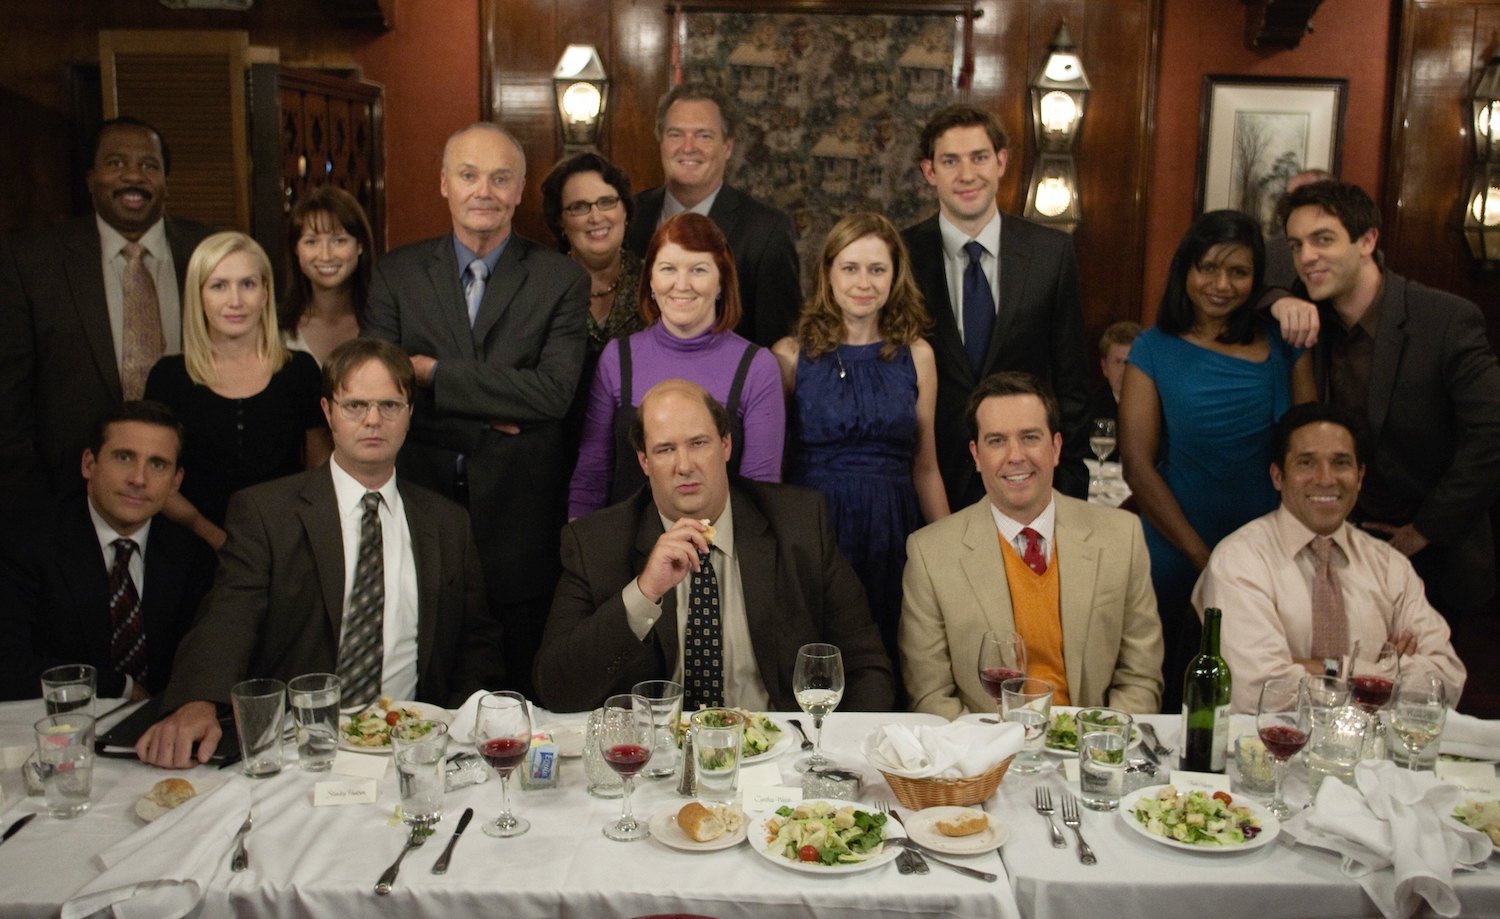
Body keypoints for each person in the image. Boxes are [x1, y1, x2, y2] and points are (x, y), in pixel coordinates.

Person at [136, 339, 502, 768]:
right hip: (301, 752)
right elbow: (228, 613)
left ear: (409, 415)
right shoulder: (266, 512)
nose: (373, 420)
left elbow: (477, 639)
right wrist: (197, 699)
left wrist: (452, 731)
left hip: (413, 749)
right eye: (355, 406)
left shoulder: (447, 523)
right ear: (327, 411)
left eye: (389, 405)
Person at [364, 122, 588, 699]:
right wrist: (495, 405)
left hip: (521, 525)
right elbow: (381, 393)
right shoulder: (396, 273)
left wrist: (433, 374)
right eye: (468, 175)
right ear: (444, 183)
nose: (482, 190)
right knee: (426, 695)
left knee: (520, 697)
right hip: (421, 508)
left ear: (519, 191)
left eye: (499, 178)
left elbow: (554, 395)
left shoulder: (560, 278)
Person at [535, 379, 894, 713]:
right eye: (664, 450)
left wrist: (832, 756)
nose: (684, 465)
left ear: (725, 445)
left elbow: (867, 666)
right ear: (644, 461)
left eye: (698, 443)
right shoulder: (597, 543)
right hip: (657, 761)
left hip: (777, 753)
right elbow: (555, 689)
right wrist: (644, 592)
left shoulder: (798, 523)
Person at [1274, 180, 1500, 620]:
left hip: (1434, 555)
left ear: (1368, 240)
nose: (1306, 258)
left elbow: (1493, 431)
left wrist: (1427, 528)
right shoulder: (1308, 316)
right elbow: (1251, 293)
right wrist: (1279, 300)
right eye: (1296, 245)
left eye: (1323, 240)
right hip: (1340, 550)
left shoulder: (1444, 318)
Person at [1119, 210, 1314, 710]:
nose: (1221, 284)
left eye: (1239, 272)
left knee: (1257, 689)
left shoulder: (1282, 344)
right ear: (1185, 269)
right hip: (1173, 542)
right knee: (1160, 685)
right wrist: (1203, 557)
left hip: (1266, 547)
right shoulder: (1153, 348)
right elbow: (1137, 466)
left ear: (1257, 279)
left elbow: (1308, 450)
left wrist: (1240, 563)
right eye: (1207, 268)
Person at [900, 372, 1163, 718]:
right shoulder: (930, 554)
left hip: (1089, 751)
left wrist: (1095, 744)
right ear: (976, 456)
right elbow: (931, 696)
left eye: (1029, 437)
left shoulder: (1121, 537)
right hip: (987, 757)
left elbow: (1140, 678)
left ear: (1055, 448)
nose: (1015, 456)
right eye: (996, 441)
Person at [772, 212, 948, 697]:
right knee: (815, 662)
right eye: (851, 268)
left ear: (896, 276)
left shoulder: (918, 355)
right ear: (828, 273)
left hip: (894, 528)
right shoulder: (789, 355)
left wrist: (949, 553)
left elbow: (926, 466)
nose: (863, 282)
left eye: (877, 269)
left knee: (892, 657)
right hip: (817, 527)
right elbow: (776, 466)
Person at [0, 117, 214, 513]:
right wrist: (23, 498)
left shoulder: (211, 252)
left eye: (149, 166)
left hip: (196, 494)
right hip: (64, 497)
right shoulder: (31, 262)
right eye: (116, 163)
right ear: (90, 178)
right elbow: (9, 397)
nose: (134, 176)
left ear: (166, 181)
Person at [1193, 403, 1466, 713]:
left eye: (1341, 463)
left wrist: (1324, 668)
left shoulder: (1391, 566)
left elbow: (1446, 682)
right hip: (1266, 751)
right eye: (1306, 463)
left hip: (1375, 758)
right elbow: (1257, 691)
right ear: (1278, 475)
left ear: (1360, 476)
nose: (1325, 479)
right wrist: (1380, 675)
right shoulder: (1240, 561)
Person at [901, 104, 1091, 510]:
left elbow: (1072, 381)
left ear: (1001, 161)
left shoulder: (1050, 253)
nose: (967, 174)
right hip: (928, 484)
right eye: (950, 161)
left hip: (1026, 478)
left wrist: (1070, 484)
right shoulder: (900, 257)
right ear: (929, 171)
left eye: (979, 157)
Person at [568, 213, 785, 519]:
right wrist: (583, 555)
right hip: (625, 551)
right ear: (651, 282)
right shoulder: (617, 358)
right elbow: (592, 473)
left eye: (698, 269)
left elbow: (761, 492)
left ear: (721, 281)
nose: (681, 285)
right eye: (668, 269)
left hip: (719, 551)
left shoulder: (757, 367)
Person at [0, 401, 215, 701]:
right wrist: (119, 687)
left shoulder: (192, 556)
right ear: (89, 463)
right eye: (124, 457)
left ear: (175, 482)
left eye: (157, 464)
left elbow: (207, 662)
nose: (139, 479)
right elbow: (7, 667)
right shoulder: (27, 543)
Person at [145, 232, 332, 549]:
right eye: (219, 286)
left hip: (287, 545)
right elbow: (152, 478)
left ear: (265, 293)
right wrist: (215, 538)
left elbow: (320, 468)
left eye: (248, 284)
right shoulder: (169, 377)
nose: (235, 301)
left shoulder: (299, 370)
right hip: (190, 548)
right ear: (199, 295)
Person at [622, 82, 801, 348]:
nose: (688, 147)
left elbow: (778, 346)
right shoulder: (629, 217)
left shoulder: (767, 231)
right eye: (675, 134)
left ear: (727, 147)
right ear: (660, 142)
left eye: (703, 135)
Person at [540, 152, 646, 360]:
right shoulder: (540, 289)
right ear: (561, 221)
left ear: (625, 210)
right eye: (579, 207)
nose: (596, 217)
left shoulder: (654, 281)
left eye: (606, 202)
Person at [280, 185, 374, 365]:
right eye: (311, 242)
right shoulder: (277, 328)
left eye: (339, 241)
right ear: (296, 249)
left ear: (360, 245)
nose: (325, 255)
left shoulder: (383, 322)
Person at [1262, 168, 1332, 291]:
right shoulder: (1272, 251)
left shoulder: (1357, 245)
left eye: (1305, 196)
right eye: (1290, 198)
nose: (1306, 257)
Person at [1085, 320, 1141, 427]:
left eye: (1130, 362)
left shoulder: (1160, 407)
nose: (1125, 371)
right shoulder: (1089, 410)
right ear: (1104, 367)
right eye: (1118, 362)